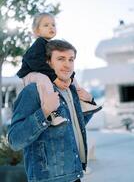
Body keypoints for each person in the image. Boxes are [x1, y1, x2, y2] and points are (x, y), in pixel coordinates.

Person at [8, 39, 102, 182]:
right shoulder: (33, 91)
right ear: (49, 62)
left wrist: (89, 102)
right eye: (61, 59)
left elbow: (72, 127)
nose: (67, 65)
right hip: (48, 178)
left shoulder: (71, 90)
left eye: (71, 59)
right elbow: (15, 141)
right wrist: (45, 112)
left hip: (74, 174)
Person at [17, 12, 101, 127]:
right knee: (44, 79)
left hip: (43, 71)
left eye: (53, 25)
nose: (51, 27)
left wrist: (70, 78)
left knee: (72, 78)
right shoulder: (39, 43)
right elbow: (36, 63)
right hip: (31, 72)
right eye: (46, 25)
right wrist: (55, 78)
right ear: (37, 31)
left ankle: (82, 102)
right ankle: (52, 113)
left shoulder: (51, 45)